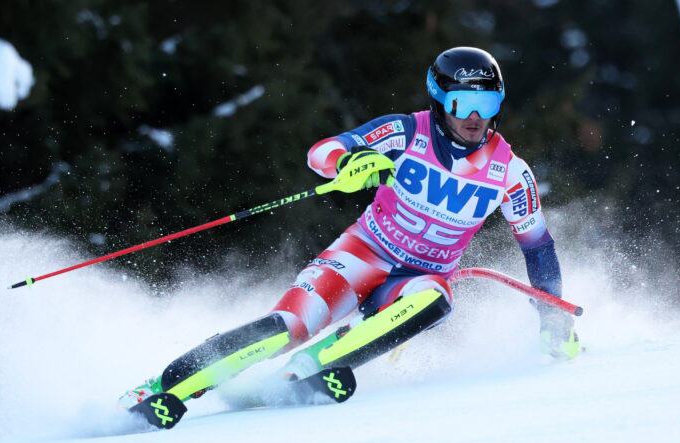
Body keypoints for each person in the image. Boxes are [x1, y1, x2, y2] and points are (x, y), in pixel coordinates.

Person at [118, 46, 581, 409]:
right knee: (288, 326)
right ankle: (161, 387)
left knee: (436, 299)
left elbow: (538, 247)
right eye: (463, 102)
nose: (475, 117)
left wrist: (552, 317)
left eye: (487, 101)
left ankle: (308, 369)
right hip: (361, 254)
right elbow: (322, 152)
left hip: (418, 278)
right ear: (441, 100)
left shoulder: (511, 172)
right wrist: (351, 161)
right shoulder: (405, 131)